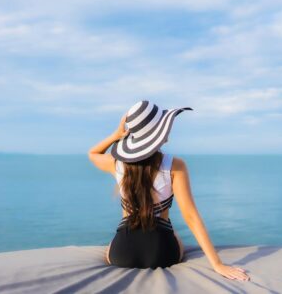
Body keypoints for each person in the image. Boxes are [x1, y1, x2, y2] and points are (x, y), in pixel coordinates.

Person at [88, 100, 250, 281]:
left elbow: (93, 154)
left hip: (123, 252)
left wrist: (116, 135)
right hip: (162, 252)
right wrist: (218, 265)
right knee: (175, 237)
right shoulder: (175, 166)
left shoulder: (117, 163)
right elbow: (190, 216)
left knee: (113, 244)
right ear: (158, 134)